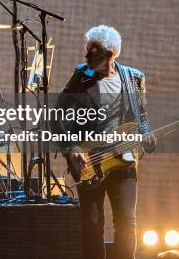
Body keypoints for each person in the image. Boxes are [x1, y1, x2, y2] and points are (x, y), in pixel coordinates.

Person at [54, 25, 156, 259]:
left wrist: (147, 135)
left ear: (110, 54)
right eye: (87, 50)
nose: (86, 56)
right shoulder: (80, 76)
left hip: (124, 161)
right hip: (89, 161)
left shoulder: (134, 78)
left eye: (93, 52)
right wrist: (71, 148)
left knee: (127, 220)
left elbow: (142, 117)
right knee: (92, 225)